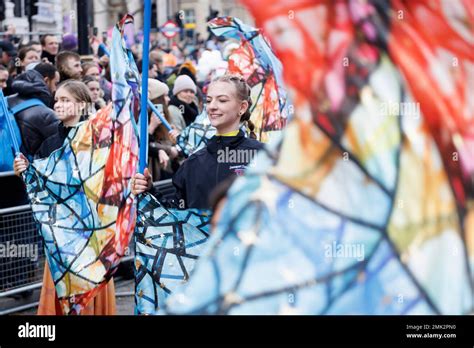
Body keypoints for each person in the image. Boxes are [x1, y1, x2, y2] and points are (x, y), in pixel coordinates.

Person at [13, 80, 116, 315]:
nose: (57, 105)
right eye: (56, 100)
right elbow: (40, 187)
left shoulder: (98, 140)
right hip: (60, 234)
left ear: (81, 105)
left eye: (65, 100)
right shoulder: (50, 143)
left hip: (92, 233)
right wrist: (24, 171)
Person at [132, 74, 263, 210]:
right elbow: (177, 215)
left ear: (242, 107)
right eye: (209, 100)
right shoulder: (192, 163)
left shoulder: (263, 156)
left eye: (222, 100)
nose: (212, 107)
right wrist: (149, 190)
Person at [7, 63, 60, 158]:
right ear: (46, 81)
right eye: (55, 83)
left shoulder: (6, 101)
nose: (56, 89)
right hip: (30, 169)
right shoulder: (46, 114)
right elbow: (59, 151)